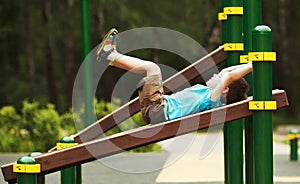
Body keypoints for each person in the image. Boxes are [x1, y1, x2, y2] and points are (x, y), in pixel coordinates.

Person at [96, 28, 252, 124]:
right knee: (150, 68)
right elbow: (227, 73)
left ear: (224, 89)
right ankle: (110, 58)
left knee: (152, 68)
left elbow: (229, 77)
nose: (215, 76)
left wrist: (252, 66)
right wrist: (248, 63)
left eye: (218, 79)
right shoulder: (211, 94)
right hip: (157, 108)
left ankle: (110, 56)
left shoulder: (212, 99)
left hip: (159, 111)